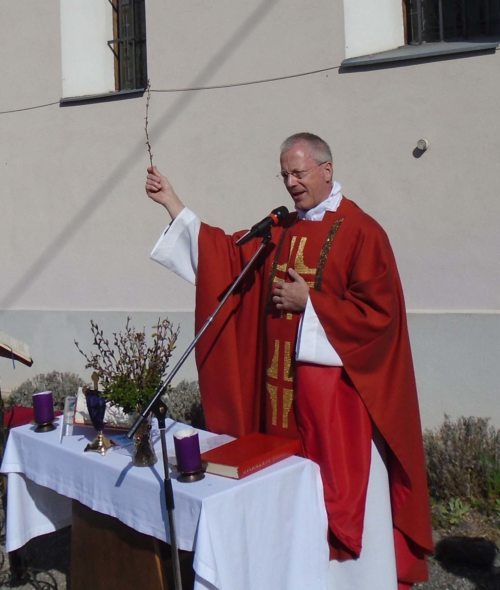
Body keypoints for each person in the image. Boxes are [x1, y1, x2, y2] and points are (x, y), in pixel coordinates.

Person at [145, 132, 433, 589]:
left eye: (298, 173)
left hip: (339, 414)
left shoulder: (362, 232)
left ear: (326, 170)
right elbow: (227, 257)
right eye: (284, 175)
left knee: (340, 511)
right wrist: (173, 203)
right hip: (281, 407)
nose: (291, 183)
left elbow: (380, 319)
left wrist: (310, 302)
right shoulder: (282, 229)